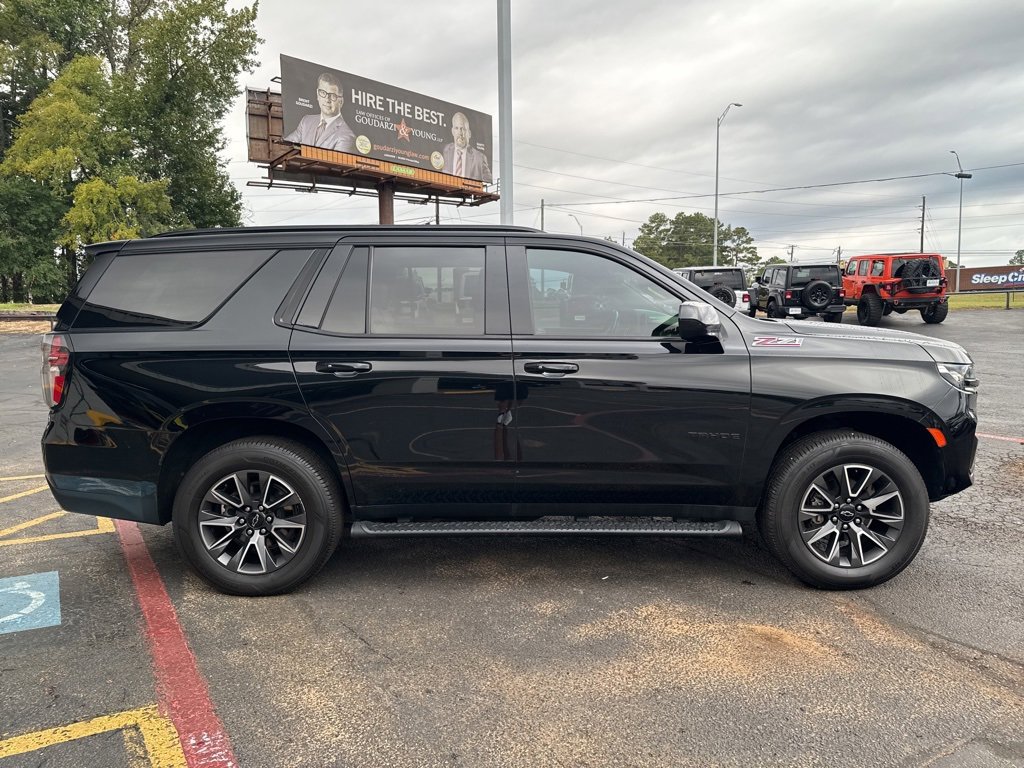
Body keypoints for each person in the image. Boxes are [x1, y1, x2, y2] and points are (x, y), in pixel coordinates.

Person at [283, 72, 355, 153]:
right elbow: (285, 146)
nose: (327, 100)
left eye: (332, 96)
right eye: (323, 93)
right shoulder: (306, 121)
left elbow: (337, 164)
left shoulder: (347, 136)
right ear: (317, 94)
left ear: (341, 101)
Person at [442, 112, 492, 183]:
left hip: (468, 191)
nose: (460, 133)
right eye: (457, 128)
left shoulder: (479, 158)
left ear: (469, 134)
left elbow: (489, 180)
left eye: (463, 129)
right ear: (452, 131)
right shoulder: (445, 150)